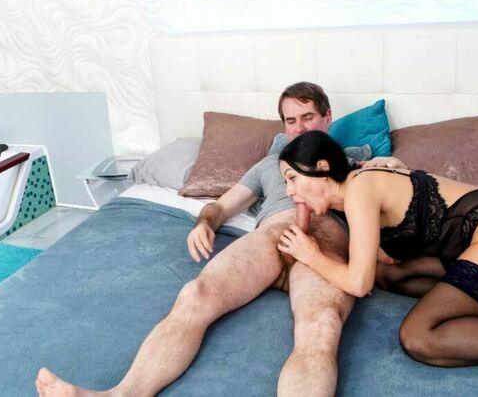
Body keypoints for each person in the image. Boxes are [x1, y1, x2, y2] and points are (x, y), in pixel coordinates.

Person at [36, 82, 405, 396]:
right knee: (195, 294)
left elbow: (404, 192)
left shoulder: (353, 162)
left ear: (327, 118)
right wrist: (205, 223)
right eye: (290, 121)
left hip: (324, 249)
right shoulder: (269, 165)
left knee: (321, 327)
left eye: (307, 117)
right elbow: (222, 206)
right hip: (273, 237)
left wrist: (392, 166)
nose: (299, 128)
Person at [277, 130, 478, 366]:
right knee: (385, 275)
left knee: (418, 336)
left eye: (292, 178)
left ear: (322, 167)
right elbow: (385, 263)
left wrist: (311, 255)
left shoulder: (360, 188)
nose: (289, 191)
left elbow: (358, 284)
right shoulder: (357, 192)